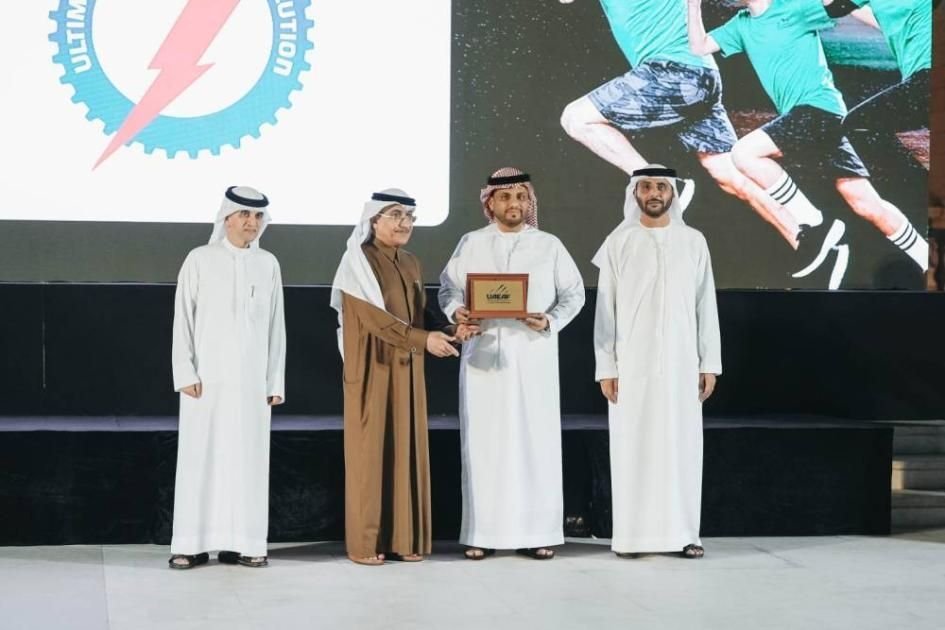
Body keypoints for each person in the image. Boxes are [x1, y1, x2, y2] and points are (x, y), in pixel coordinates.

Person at [688, 0, 928, 284]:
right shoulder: (740, 25)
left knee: (745, 154)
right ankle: (926, 256)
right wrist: (693, 6)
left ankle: (815, 225)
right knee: (864, 202)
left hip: (820, 110)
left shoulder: (795, 6)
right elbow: (699, 47)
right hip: (807, 119)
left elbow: (840, 8)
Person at [560, 0, 806, 254]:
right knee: (728, 173)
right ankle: (805, 238)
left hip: (672, 73)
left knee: (576, 118)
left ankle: (660, 185)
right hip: (701, 74)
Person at [439, 168, 585, 560]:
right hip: (483, 359)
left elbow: (574, 294)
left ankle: (539, 532)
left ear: (529, 201)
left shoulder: (549, 245)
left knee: (535, 444)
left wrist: (549, 320)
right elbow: (448, 290)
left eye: (521, 196)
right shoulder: (471, 242)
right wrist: (457, 313)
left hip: (533, 359)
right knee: (484, 446)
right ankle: (481, 533)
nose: (514, 203)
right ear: (490, 203)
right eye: (505, 196)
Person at [593, 165, 721, 559]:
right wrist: (606, 366)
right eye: (646, 186)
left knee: (682, 447)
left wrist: (709, 363)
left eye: (661, 187)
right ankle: (631, 538)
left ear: (672, 193)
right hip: (632, 366)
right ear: (635, 193)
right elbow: (605, 312)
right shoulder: (619, 241)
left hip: (683, 365)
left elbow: (706, 305)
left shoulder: (693, 241)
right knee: (633, 446)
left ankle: (685, 534)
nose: (653, 193)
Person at [330, 189, 461, 566]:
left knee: (406, 450)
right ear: (374, 220)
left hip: (407, 369)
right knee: (370, 455)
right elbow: (376, 320)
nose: (405, 223)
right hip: (372, 370)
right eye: (396, 215)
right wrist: (424, 340)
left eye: (410, 217)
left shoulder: (410, 262)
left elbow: (419, 313)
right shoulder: (356, 261)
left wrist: (451, 329)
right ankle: (364, 544)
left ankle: (404, 538)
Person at [169, 186, 286, 569]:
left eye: (258, 216)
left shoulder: (268, 263)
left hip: (252, 386)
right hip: (205, 383)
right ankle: (191, 544)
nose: (252, 223)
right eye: (244, 215)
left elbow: (276, 327)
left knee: (248, 462)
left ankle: (246, 544)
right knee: (200, 460)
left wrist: (275, 381)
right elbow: (183, 319)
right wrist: (184, 372)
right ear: (227, 218)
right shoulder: (199, 259)